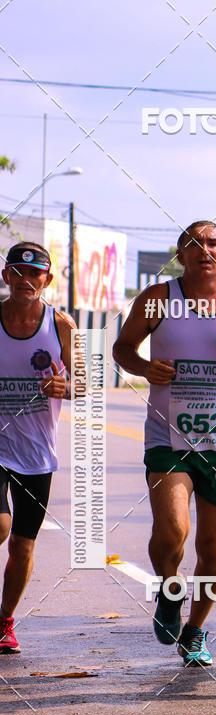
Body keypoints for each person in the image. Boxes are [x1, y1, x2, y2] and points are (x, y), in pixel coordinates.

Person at [113, 221, 216, 667]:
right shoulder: (159, 298)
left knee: (213, 547)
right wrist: (144, 367)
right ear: (180, 255)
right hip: (169, 438)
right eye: (193, 244)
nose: (203, 249)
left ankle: (196, 631)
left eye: (212, 243)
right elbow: (123, 347)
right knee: (172, 531)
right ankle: (168, 587)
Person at [0, 242, 75, 654]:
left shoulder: (61, 325)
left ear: (47, 279)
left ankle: (5, 620)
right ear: (6, 276)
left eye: (36, 273)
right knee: (0, 526)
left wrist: (67, 386)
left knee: (22, 545)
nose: (27, 280)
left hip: (36, 454)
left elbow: (86, 385)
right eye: (18, 272)